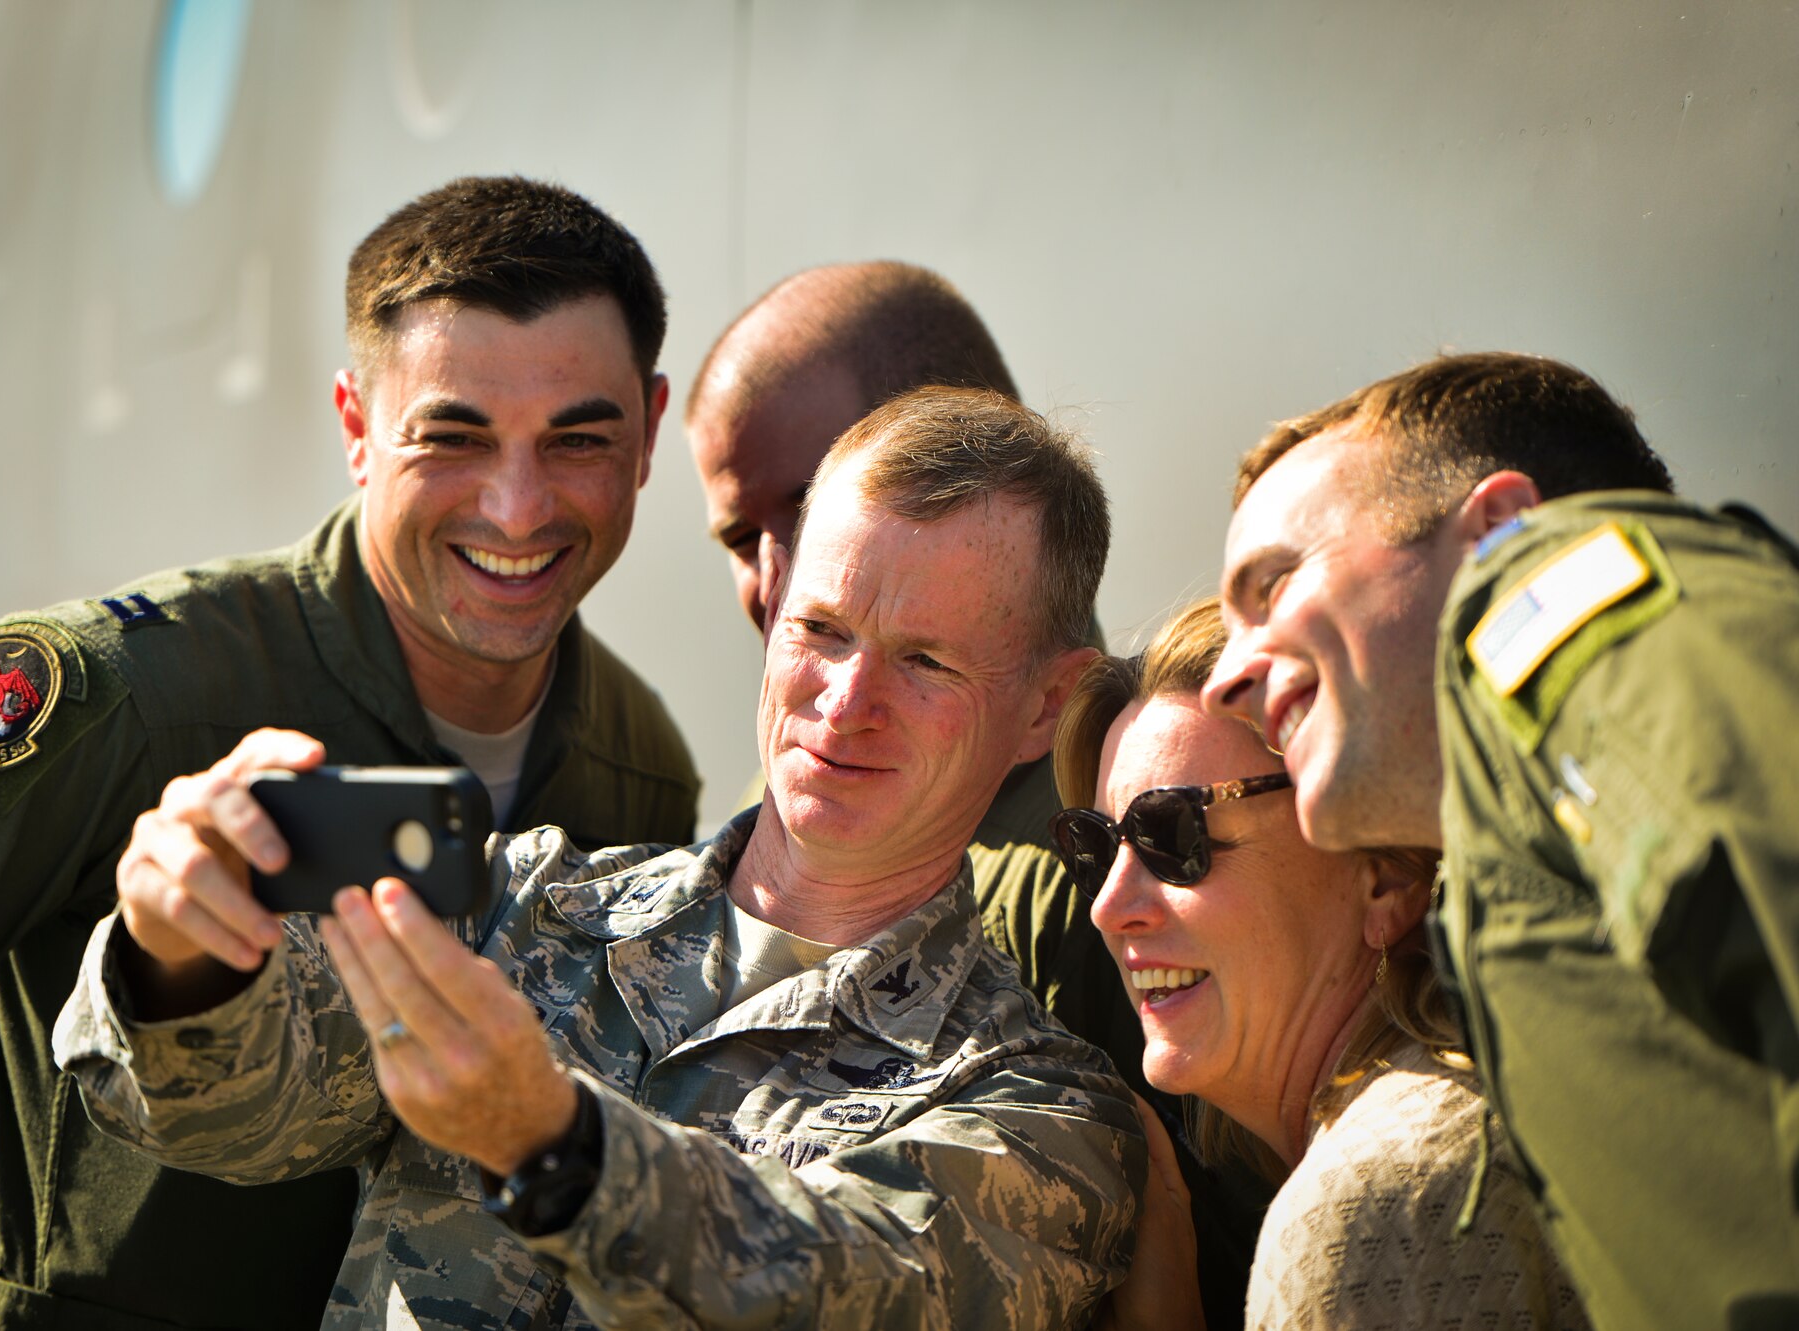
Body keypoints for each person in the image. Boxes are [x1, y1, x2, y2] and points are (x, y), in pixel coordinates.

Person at [0, 176, 699, 1331]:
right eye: (452, 435)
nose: (518, 508)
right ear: (356, 428)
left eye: (578, 437)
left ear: (649, 432)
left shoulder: (640, 764)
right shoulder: (122, 699)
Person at [55, 386, 1141, 1328]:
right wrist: (183, 948)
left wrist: (552, 1139)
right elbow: (220, 1115)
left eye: (926, 661)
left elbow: (846, 1289)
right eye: (821, 628)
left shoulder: (1038, 1111)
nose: (846, 701)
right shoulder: (523, 906)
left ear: (1045, 703)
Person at [686, 265, 1261, 1327]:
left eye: (811, 507)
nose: (776, 580)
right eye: (738, 537)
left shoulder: (1117, 860)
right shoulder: (776, 815)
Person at [1201, 351, 1799, 1330]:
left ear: (1496, 525)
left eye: (1269, 585)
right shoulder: (1515, 827)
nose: (1226, 678)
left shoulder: (1556, 594)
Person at [1052, 598, 1588, 1330]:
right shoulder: (1485, 1108)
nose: (1109, 906)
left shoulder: (1372, 1210)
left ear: (1385, 873)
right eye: (1096, 843)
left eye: (1171, 832)